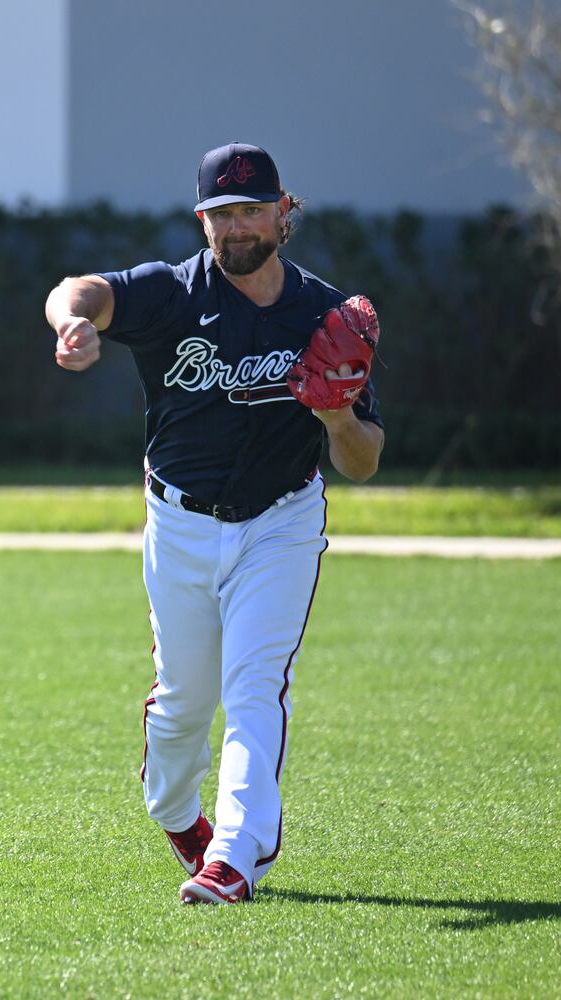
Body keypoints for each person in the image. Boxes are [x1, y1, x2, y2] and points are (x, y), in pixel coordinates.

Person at [44, 142, 385, 905]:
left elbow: (361, 461)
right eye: (220, 214)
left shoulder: (322, 314)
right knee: (181, 708)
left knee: (255, 686)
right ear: (202, 221)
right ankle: (174, 811)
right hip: (180, 525)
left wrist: (336, 419)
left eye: (250, 210)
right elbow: (79, 289)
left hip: (280, 522)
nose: (236, 227)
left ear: (282, 212)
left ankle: (234, 855)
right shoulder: (170, 294)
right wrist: (73, 325)